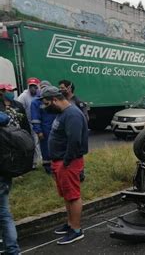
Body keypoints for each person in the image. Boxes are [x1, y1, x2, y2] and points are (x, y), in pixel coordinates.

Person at [40, 86, 88, 245]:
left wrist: (66, 162)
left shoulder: (72, 114)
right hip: (60, 161)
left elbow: (74, 141)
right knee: (67, 195)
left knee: (73, 196)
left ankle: (76, 230)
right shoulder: (62, 113)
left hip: (68, 162)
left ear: (55, 100)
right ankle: (70, 224)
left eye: (47, 103)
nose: (45, 107)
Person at [0, 112, 21, 255]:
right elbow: (4, 117)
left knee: (3, 213)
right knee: (4, 213)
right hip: (4, 173)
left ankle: (12, 250)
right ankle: (12, 249)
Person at [31, 81, 57, 174]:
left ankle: (57, 165)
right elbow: (35, 118)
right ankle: (48, 168)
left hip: (56, 128)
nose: (43, 89)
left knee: (57, 147)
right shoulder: (36, 102)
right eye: (42, 87)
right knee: (45, 149)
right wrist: (39, 131)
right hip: (44, 130)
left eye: (45, 87)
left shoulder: (53, 100)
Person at [17, 77, 42, 168]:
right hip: (28, 123)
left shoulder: (40, 95)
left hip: (39, 122)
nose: (33, 88)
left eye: (34, 86)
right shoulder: (23, 97)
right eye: (31, 86)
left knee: (39, 142)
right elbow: (18, 109)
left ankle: (38, 161)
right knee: (33, 142)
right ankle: (34, 163)